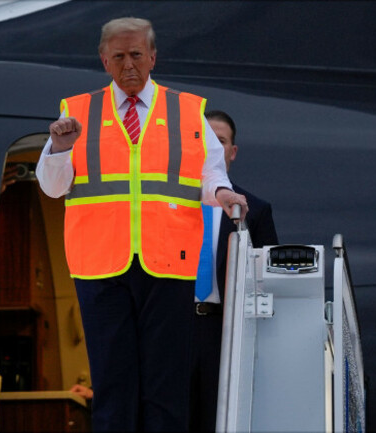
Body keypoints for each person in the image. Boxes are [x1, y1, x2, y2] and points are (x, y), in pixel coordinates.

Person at [36, 17, 248, 431]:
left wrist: (222, 194)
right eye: (118, 56)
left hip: (168, 261)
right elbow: (51, 187)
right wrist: (60, 148)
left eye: (136, 54)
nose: (128, 64)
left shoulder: (188, 110)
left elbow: (211, 172)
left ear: (153, 56)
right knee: (113, 385)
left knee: (165, 386)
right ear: (104, 60)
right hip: (100, 266)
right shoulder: (76, 113)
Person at [189, 110, 279, 432]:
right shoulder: (168, 203)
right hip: (174, 327)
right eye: (205, 140)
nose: (212, 147)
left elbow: (269, 283)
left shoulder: (254, 210)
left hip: (223, 331)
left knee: (220, 419)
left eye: (221, 141)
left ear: (232, 151)